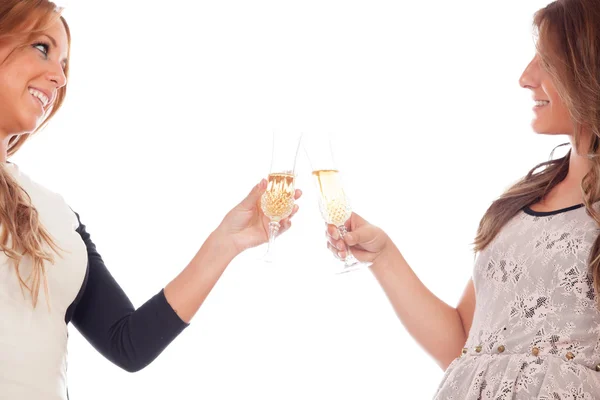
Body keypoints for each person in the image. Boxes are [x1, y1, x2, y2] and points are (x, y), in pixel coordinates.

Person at [0, 1, 301, 399]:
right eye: (42, 47)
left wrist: (226, 241)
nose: (58, 77)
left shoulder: (58, 215)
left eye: (65, 64)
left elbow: (128, 342)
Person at [326, 0, 600, 397]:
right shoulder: (517, 206)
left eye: (548, 61)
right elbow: (462, 345)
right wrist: (383, 256)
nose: (525, 78)